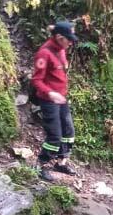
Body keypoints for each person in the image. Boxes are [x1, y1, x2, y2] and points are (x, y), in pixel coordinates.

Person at [31, 21, 78, 181]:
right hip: (49, 100)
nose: (71, 43)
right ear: (59, 37)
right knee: (55, 136)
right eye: (68, 39)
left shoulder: (61, 49)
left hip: (61, 98)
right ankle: (40, 165)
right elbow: (36, 80)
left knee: (68, 132)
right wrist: (51, 93)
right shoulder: (44, 53)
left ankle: (61, 162)